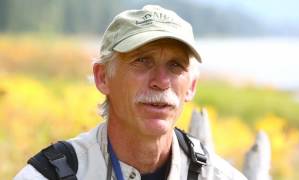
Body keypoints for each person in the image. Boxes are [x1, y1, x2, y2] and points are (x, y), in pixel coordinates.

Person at [15, 5, 247, 180]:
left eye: (175, 65)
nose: (161, 82)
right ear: (103, 77)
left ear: (192, 87)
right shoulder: (47, 175)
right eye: (143, 60)